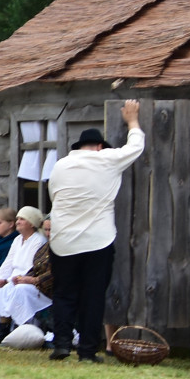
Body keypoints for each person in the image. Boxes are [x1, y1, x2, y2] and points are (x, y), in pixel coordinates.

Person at [48, 100, 144, 363]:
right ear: (100, 147)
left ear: (79, 147)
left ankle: (62, 345)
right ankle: (88, 351)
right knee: (93, 296)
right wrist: (132, 120)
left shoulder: (60, 166)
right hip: (96, 241)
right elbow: (136, 147)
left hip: (63, 240)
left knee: (64, 293)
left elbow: (54, 196)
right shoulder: (106, 160)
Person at [0, 206, 47, 343]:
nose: (18, 221)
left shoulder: (38, 240)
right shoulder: (18, 240)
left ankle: (14, 329)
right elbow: (8, 263)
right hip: (14, 279)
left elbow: (31, 268)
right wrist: (0, 279)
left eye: (22, 219)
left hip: (29, 282)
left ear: (31, 223)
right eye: (17, 218)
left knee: (13, 289)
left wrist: (7, 281)